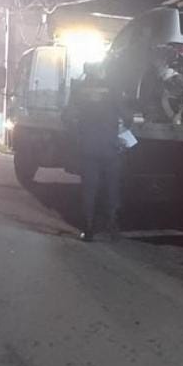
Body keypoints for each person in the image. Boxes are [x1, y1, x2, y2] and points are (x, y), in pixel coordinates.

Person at [68, 74, 132, 242]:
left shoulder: (80, 92)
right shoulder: (113, 91)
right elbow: (127, 117)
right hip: (110, 148)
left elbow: (67, 116)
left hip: (88, 149)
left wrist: (79, 133)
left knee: (89, 189)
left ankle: (88, 228)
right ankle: (112, 226)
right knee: (112, 188)